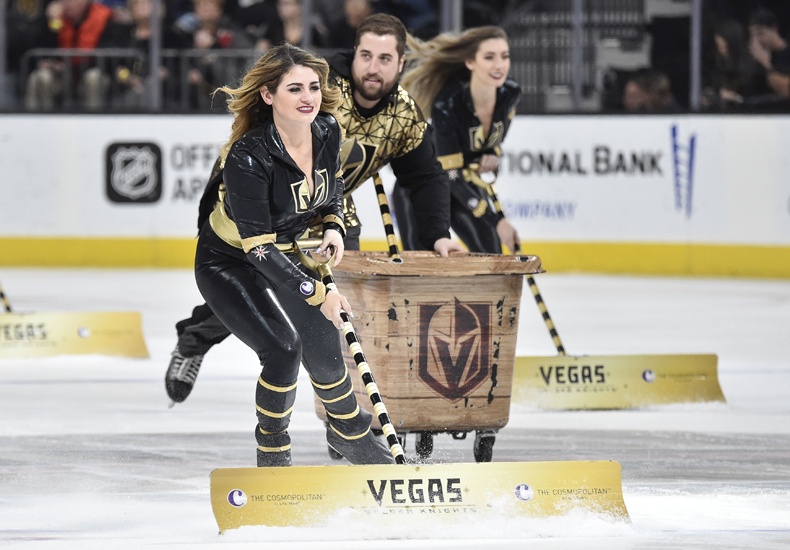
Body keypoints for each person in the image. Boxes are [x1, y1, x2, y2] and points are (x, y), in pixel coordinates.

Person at [165, 13, 464, 405]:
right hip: (271, 206)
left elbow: (424, 178)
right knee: (254, 291)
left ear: (401, 64)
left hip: (330, 211)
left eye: (385, 59)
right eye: (366, 56)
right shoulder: (317, 87)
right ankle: (195, 337)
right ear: (353, 53)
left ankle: (343, 420)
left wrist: (438, 234)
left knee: (339, 313)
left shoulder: (405, 117)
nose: (373, 68)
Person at [194, 42, 393, 467]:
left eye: (314, 87)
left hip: (286, 250)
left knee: (323, 347)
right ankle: (273, 454)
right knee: (283, 350)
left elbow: (332, 187)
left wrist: (335, 226)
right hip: (231, 260)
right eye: (294, 89)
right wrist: (322, 296)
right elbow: (259, 249)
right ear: (268, 96)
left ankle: (354, 439)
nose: (308, 98)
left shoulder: (327, 130)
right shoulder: (248, 156)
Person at [392, 25, 521, 255]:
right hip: (422, 188)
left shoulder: (510, 95)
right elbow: (449, 175)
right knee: (421, 269)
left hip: (461, 183)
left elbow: (491, 145)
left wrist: (492, 156)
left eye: (504, 56)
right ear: (470, 62)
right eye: (489, 57)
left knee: (491, 260)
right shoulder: (448, 103)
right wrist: (496, 220)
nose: (499, 65)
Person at [24, 0, 127, 111]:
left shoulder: (106, 19)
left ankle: (93, 121)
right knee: (39, 77)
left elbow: (108, 57)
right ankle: (39, 122)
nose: (67, 4)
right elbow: (38, 47)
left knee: (93, 78)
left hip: (92, 72)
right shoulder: (57, 18)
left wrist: (70, 67)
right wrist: (51, 22)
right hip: (62, 77)